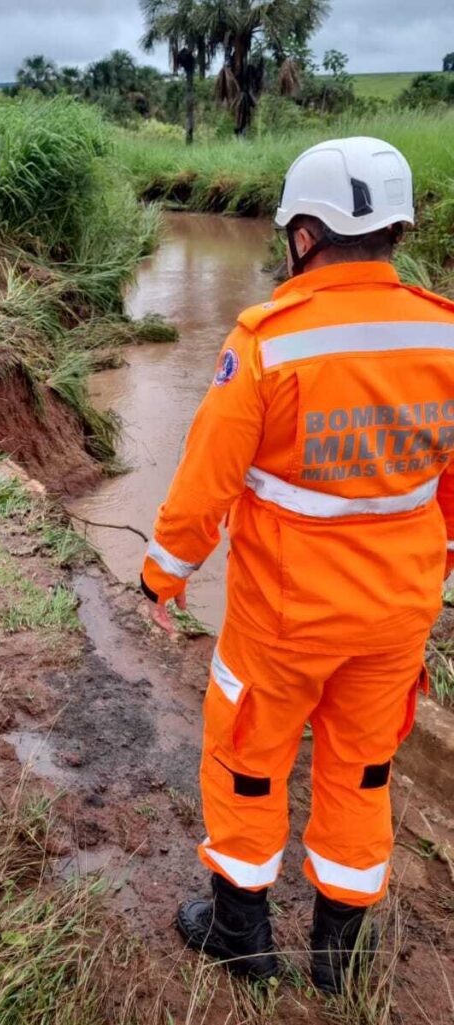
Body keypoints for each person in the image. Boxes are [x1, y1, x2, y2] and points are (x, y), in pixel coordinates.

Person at [140, 137, 454, 993]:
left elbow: (204, 481)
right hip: (396, 618)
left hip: (284, 619)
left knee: (248, 760)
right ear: (393, 230)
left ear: (306, 235)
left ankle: (241, 936)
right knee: (360, 769)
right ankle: (337, 953)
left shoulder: (269, 341)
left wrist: (162, 578)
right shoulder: (447, 334)